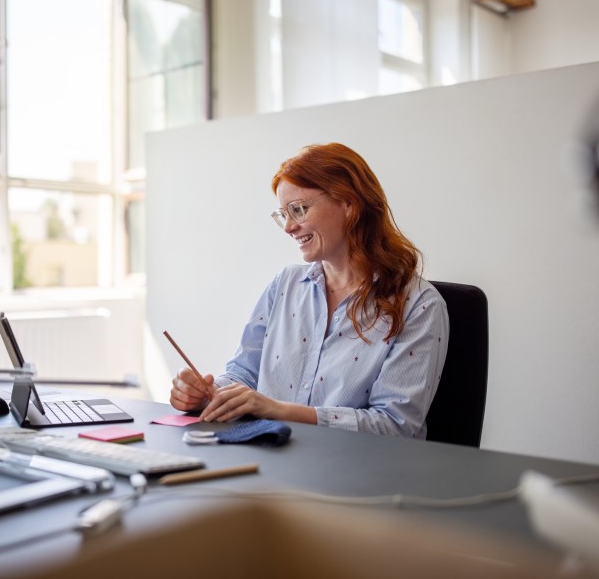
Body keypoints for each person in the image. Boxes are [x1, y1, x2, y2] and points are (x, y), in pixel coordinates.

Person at [170, 142, 449, 439]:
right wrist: (208, 393)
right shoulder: (284, 285)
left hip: (356, 476)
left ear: (349, 204)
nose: (289, 227)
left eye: (298, 209)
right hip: (271, 458)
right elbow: (244, 376)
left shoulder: (419, 305)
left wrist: (278, 410)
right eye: (283, 214)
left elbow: (395, 426)